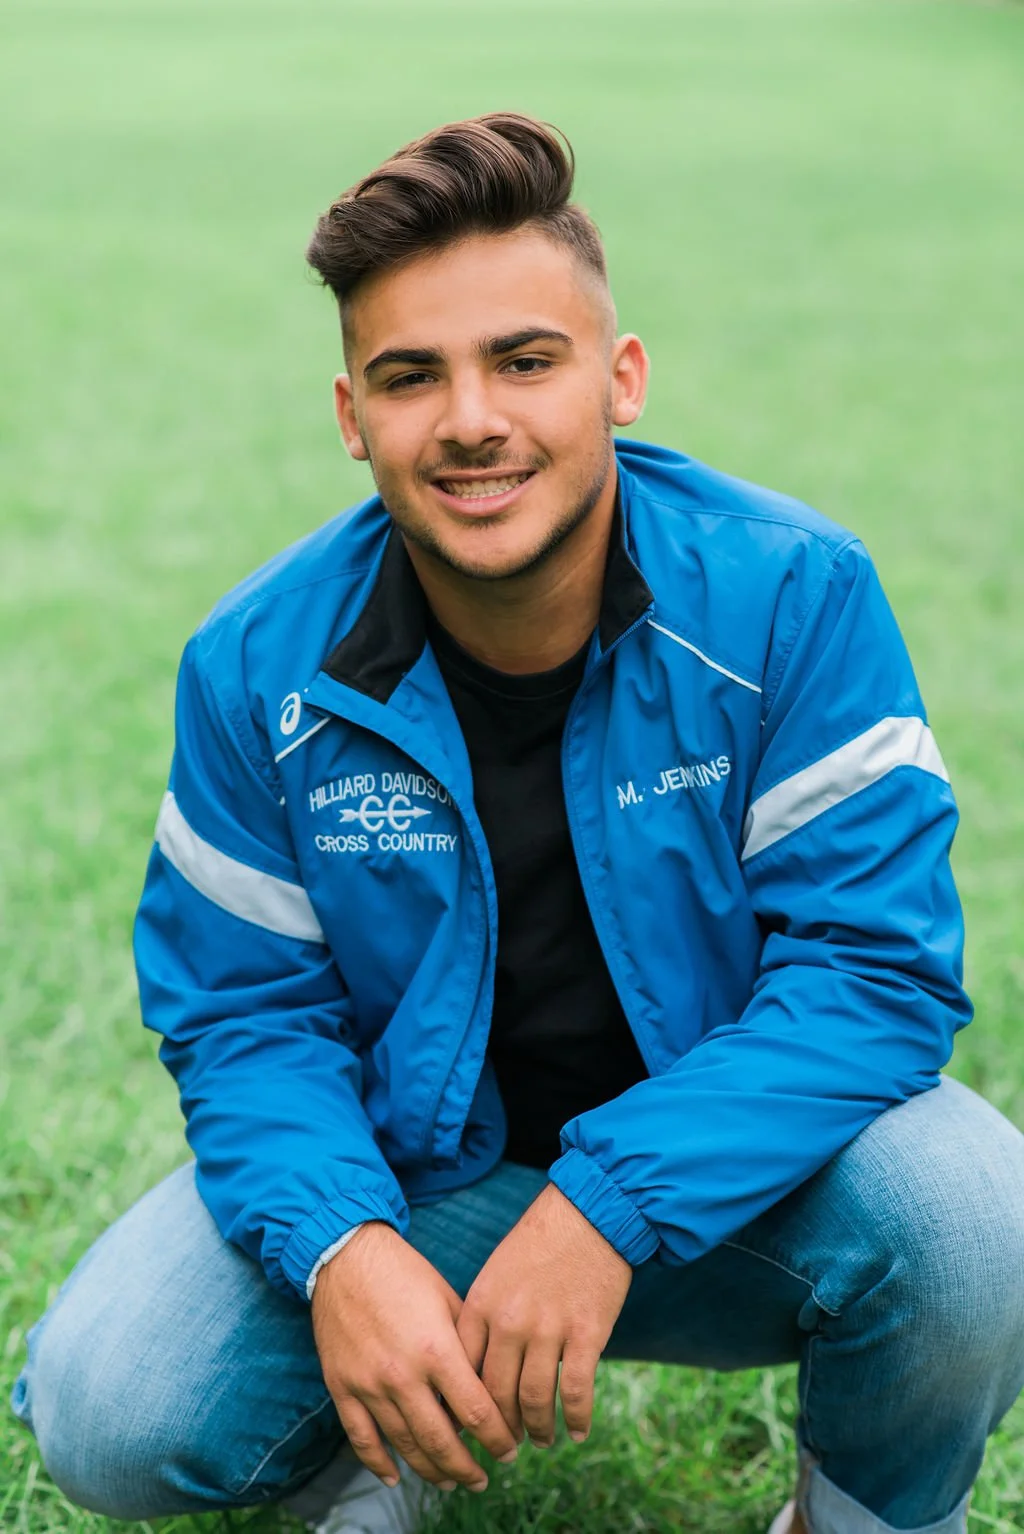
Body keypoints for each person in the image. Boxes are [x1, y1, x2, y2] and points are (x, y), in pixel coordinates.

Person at [11, 112, 1024, 1534]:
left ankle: (852, 1517)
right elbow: (245, 1022)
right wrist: (344, 1245)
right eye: (411, 376)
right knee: (109, 1396)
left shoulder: (792, 594)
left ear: (620, 380)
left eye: (525, 361)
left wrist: (607, 1200)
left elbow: (872, 973)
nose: (471, 418)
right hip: (422, 1184)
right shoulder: (254, 667)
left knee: (979, 1208)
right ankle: (368, 1455)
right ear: (353, 415)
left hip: (750, 1187)